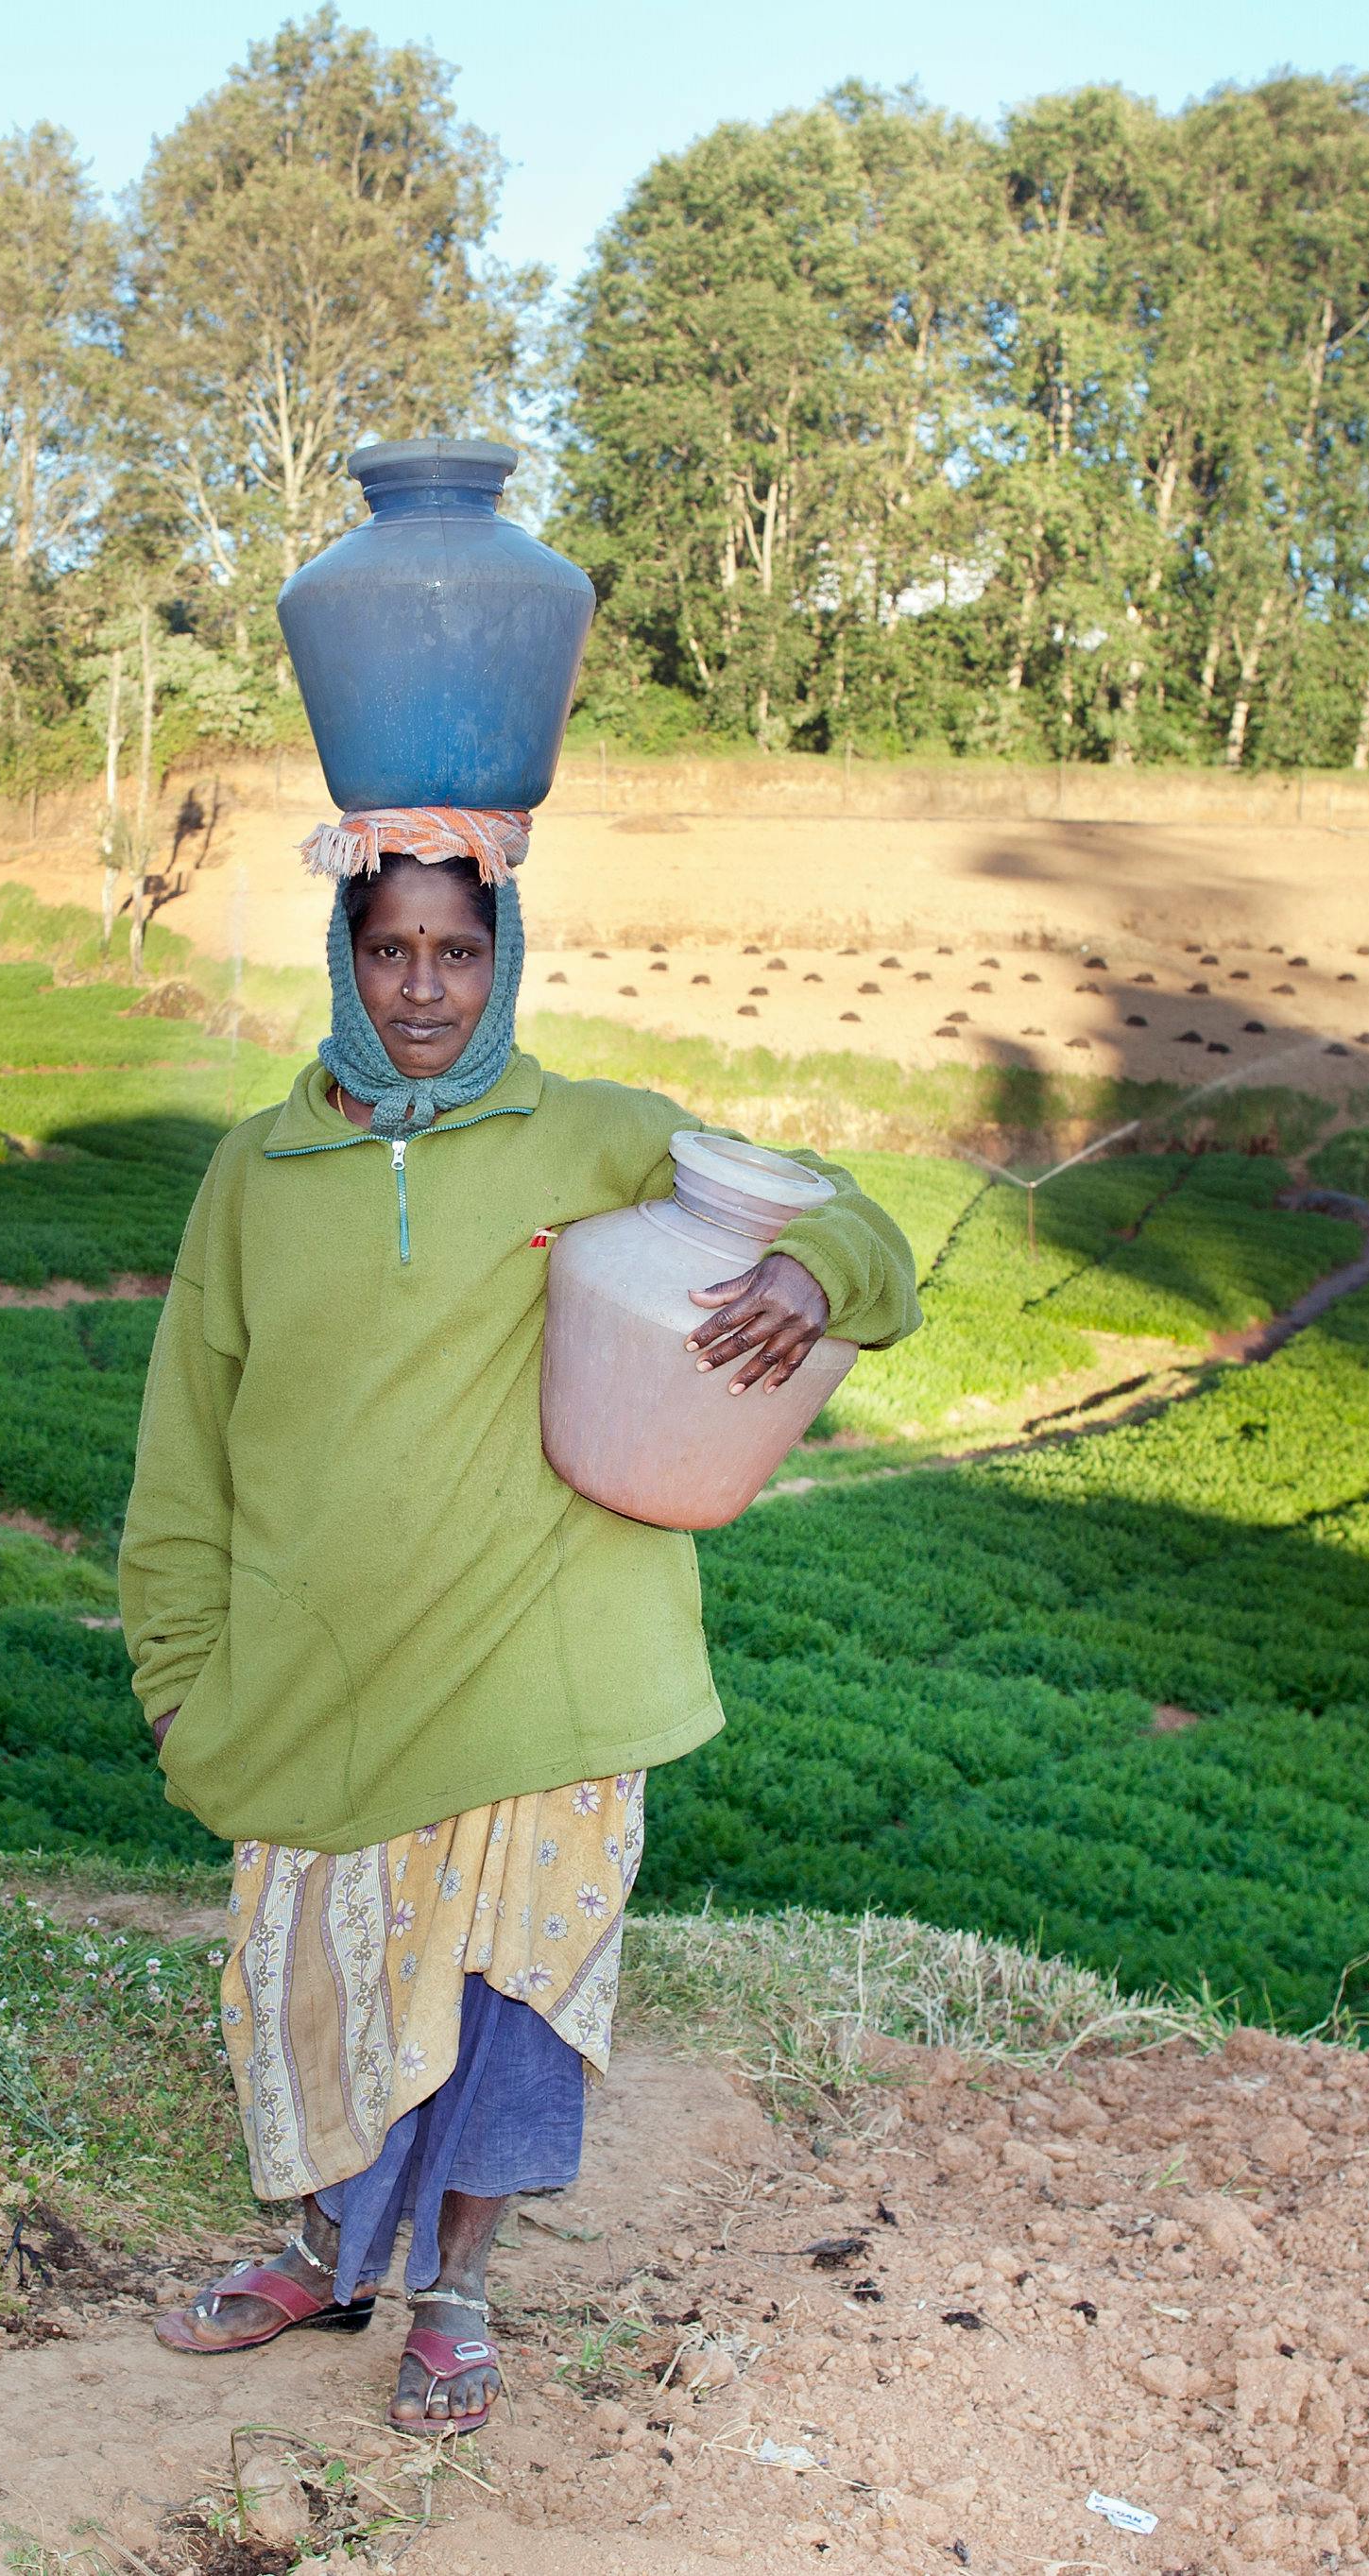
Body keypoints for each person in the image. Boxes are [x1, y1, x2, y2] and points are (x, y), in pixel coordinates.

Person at [121, 803, 919, 2438]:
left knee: (508, 1992)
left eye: (459, 950)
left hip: (543, 1669)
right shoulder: (257, 1170)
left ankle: (457, 2290)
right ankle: (326, 2253)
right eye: (390, 948)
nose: (425, 987)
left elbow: (854, 1217)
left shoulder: (596, 1136)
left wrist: (815, 1271)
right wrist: (175, 1672)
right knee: (322, 1974)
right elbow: (184, 1437)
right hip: (327, 1678)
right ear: (343, 957)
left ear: (506, 959)